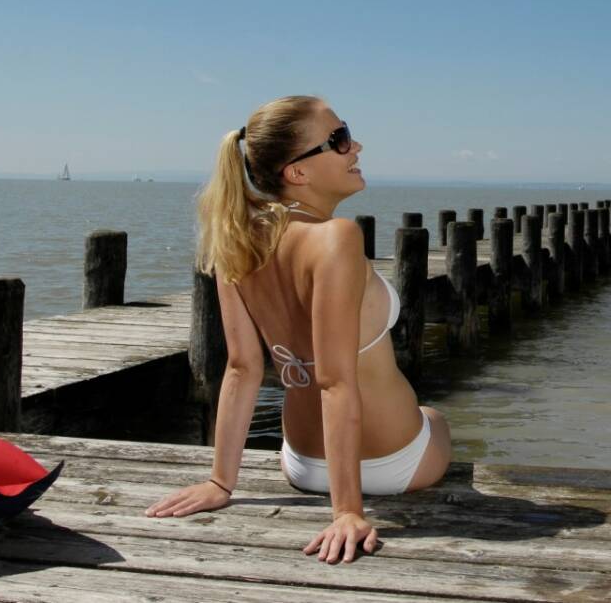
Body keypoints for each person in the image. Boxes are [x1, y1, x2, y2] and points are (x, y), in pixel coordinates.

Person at [145, 95, 453, 564]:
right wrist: (347, 511)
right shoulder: (337, 237)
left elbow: (243, 369)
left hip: (304, 465)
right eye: (339, 140)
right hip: (394, 466)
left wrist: (220, 481)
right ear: (298, 172)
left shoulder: (237, 238)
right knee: (434, 414)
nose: (356, 147)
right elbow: (334, 381)